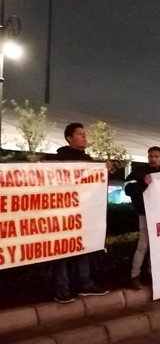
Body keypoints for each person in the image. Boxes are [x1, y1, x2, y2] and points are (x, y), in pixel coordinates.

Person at [52, 123, 109, 303]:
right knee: (61, 250)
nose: (85, 137)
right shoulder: (59, 159)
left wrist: (103, 171)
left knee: (83, 246)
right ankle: (62, 288)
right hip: (62, 213)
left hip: (83, 213)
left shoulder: (89, 161)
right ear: (69, 137)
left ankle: (84, 284)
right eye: (80, 134)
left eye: (85, 134)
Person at [124, 146, 160, 289]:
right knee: (143, 245)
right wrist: (144, 184)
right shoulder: (138, 173)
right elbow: (128, 190)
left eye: (156, 156)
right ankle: (134, 276)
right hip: (145, 214)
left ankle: (151, 275)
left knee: (158, 247)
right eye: (150, 156)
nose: (153, 159)